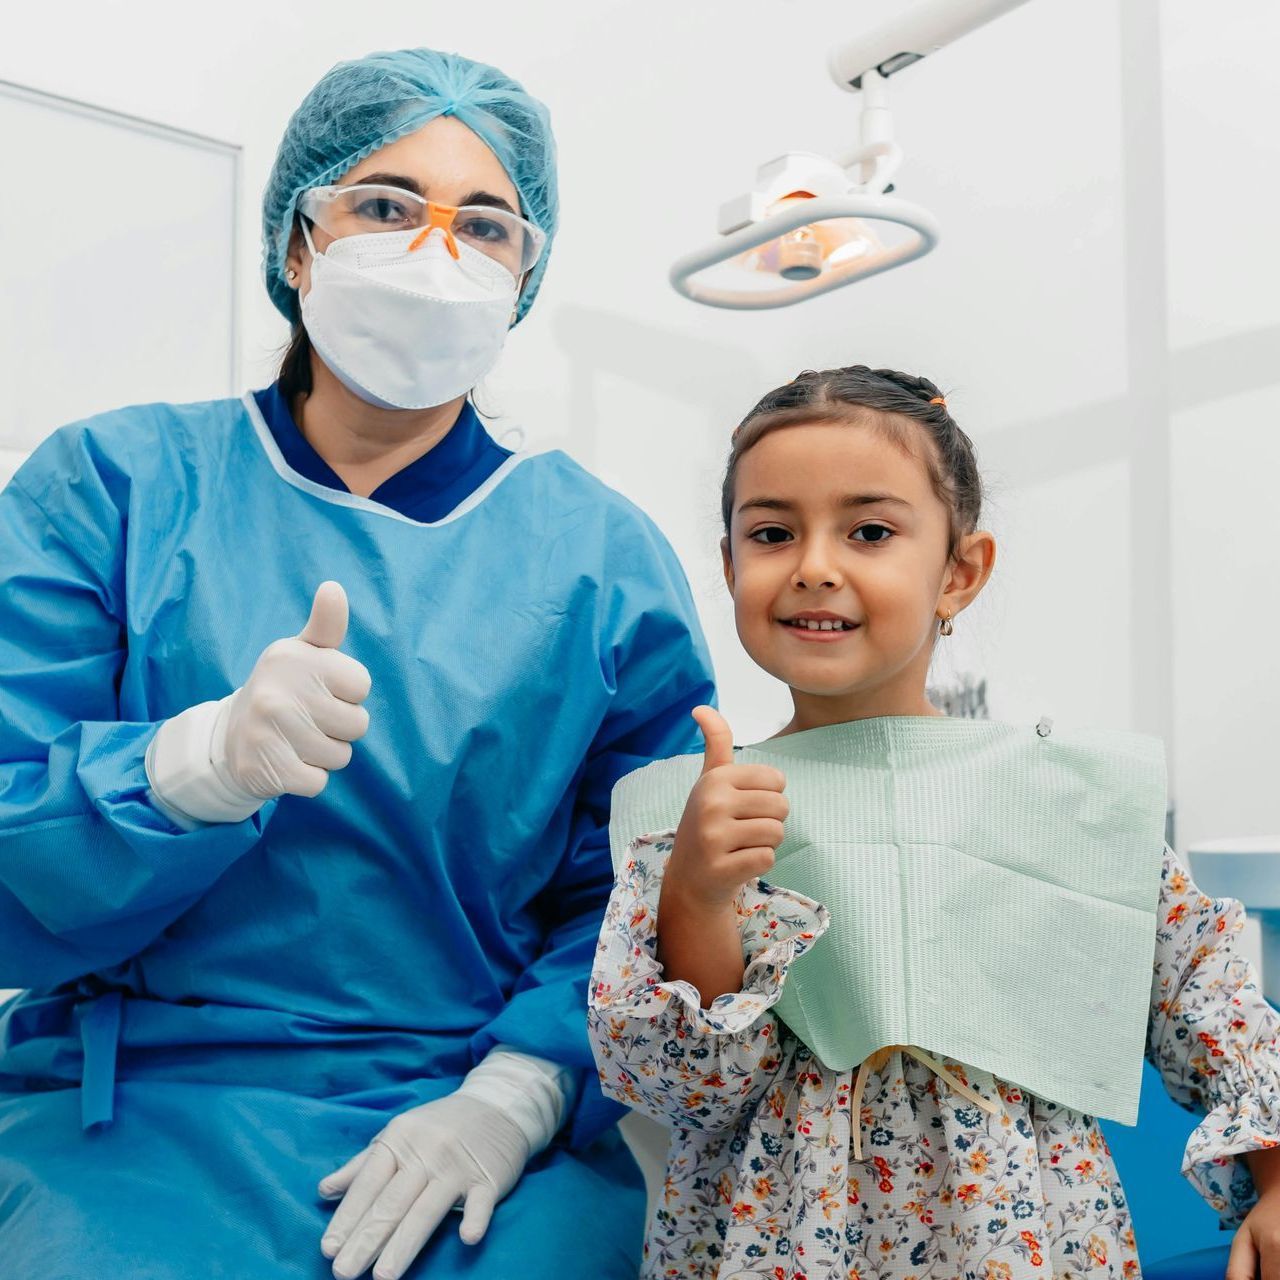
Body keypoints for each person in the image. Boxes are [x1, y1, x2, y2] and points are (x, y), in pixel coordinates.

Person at [0, 47, 714, 1280]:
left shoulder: (601, 562)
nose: (434, 252)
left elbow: (639, 888)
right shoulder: (109, 489)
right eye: (384, 207)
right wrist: (191, 765)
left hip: (470, 1105)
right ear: (297, 245)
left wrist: (516, 1094)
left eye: (483, 224)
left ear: (523, 276)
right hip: (131, 1106)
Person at [587, 365, 1280, 1277]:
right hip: (778, 1245)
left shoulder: (1057, 793)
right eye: (771, 533)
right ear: (729, 566)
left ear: (960, 571)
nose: (816, 565)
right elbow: (687, 1088)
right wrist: (700, 891)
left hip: (1021, 1245)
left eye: (869, 530)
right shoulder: (692, 810)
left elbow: (1205, 990)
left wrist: (1274, 1174)